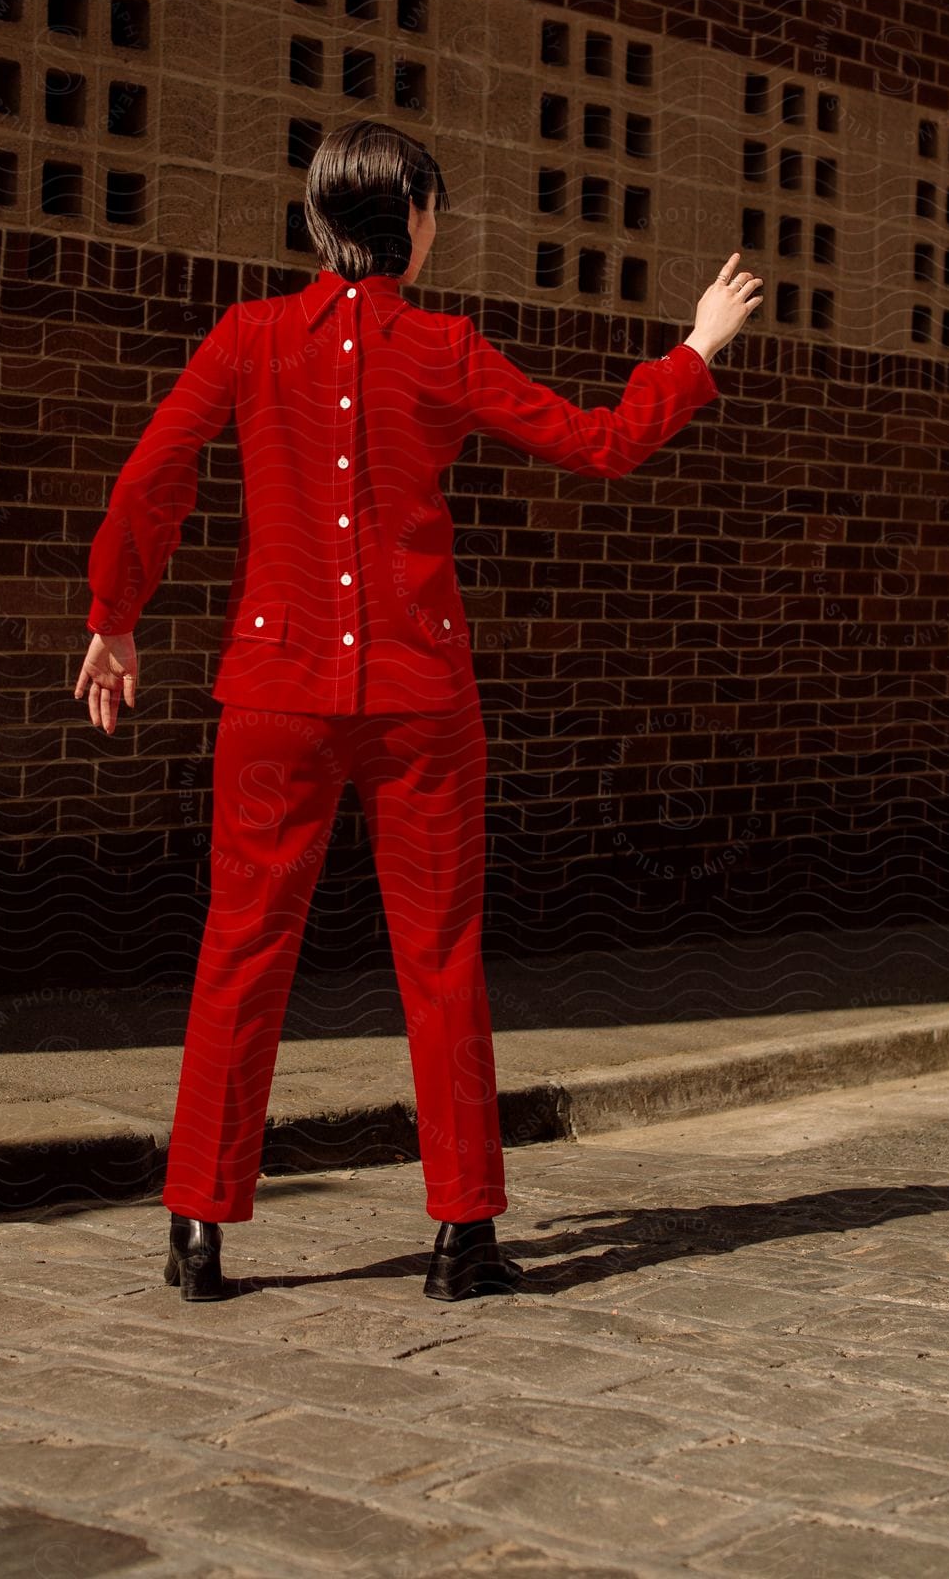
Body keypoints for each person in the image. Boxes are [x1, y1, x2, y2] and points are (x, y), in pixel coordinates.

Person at [74, 118, 763, 1302]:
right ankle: (463, 1235)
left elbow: (152, 474)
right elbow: (597, 446)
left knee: (239, 951)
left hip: (272, 693)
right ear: (420, 224)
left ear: (319, 225)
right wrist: (695, 350)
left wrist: (115, 612)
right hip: (417, 696)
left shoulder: (245, 339)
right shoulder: (441, 347)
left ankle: (196, 1223)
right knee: (439, 960)